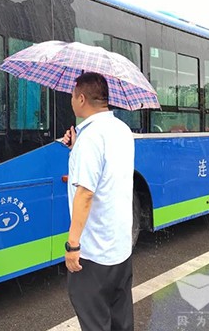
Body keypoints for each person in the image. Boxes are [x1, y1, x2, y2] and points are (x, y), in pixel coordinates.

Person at [61, 72, 135, 331]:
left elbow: (86, 193)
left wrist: (72, 246)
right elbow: (108, 173)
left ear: (81, 98)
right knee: (120, 320)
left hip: (94, 254)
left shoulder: (91, 138)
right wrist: (75, 149)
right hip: (120, 249)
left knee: (95, 322)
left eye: (72, 95)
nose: (71, 100)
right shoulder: (122, 129)